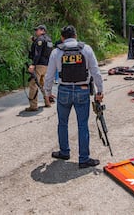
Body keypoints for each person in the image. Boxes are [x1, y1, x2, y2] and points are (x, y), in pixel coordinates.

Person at [44, 25, 104, 169]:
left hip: (63, 90)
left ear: (62, 38)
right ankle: (83, 159)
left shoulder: (56, 52)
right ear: (76, 36)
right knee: (82, 125)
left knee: (62, 123)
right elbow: (96, 72)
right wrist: (99, 91)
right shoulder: (86, 49)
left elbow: (49, 75)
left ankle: (64, 152)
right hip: (82, 90)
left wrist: (47, 93)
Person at [25, 24, 52, 112]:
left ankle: (33, 106)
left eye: (38, 30)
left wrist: (33, 64)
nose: (36, 31)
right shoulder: (48, 40)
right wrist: (34, 40)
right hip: (46, 65)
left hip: (39, 65)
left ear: (43, 30)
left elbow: (37, 53)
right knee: (42, 84)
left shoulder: (40, 40)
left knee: (33, 84)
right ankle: (47, 102)